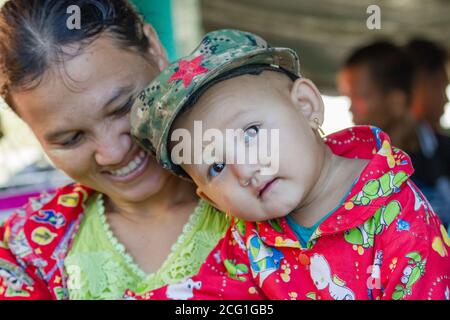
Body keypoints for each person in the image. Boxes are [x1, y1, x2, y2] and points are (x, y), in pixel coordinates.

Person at [125, 30, 450, 300]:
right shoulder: (247, 240)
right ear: (212, 199)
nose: (246, 170)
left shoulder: (402, 221)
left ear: (306, 106)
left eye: (251, 133)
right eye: (216, 167)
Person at [0, 0, 230, 300]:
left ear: (155, 49)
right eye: (70, 139)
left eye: (124, 107)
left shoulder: (273, 187)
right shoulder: (24, 252)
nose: (113, 152)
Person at [339, 41, 450, 227]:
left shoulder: (444, 153)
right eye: (350, 98)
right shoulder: (350, 167)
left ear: (396, 102)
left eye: (360, 97)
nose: (351, 108)